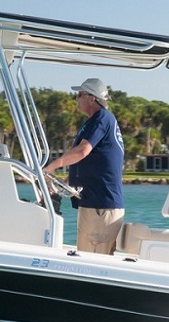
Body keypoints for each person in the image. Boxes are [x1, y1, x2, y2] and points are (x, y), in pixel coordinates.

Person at [42, 78, 125, 255]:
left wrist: (51, 167)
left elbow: (82, 151)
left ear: (92, 98)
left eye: (79, 94)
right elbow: (90, 162)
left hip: (100, 209)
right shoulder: (98, 121)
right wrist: (61, 185)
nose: (76, 98)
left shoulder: (101, 119)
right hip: (95, 206)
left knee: (91, 263)